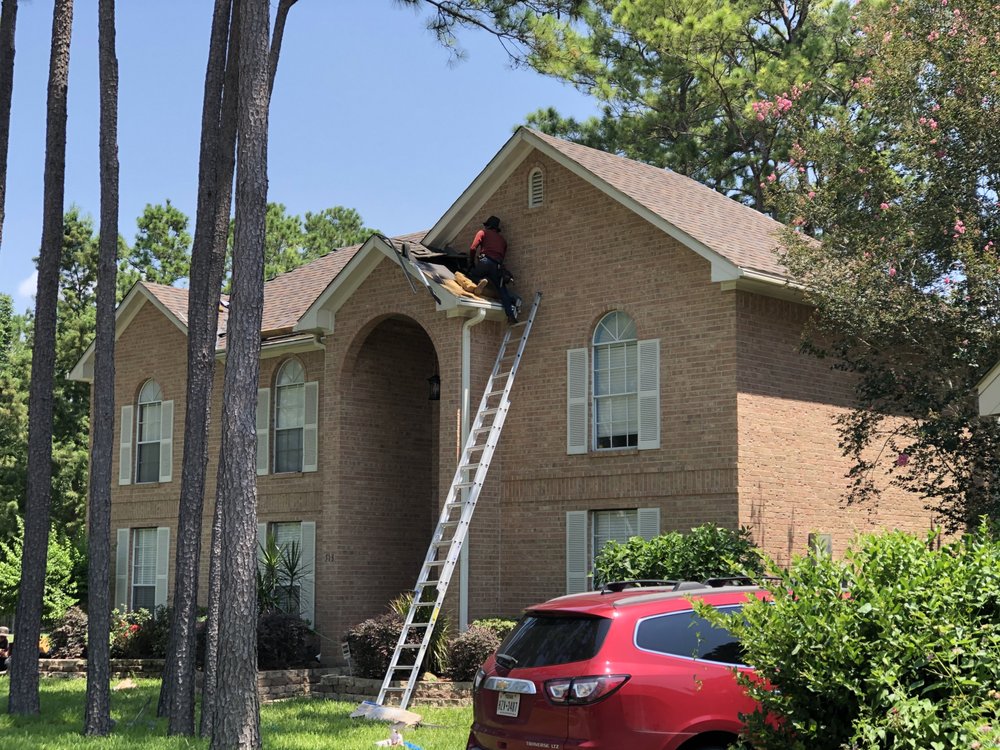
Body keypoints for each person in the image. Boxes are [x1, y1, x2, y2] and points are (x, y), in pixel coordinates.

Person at [468, 215, 519, 324]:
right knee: (502, 291)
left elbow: (473, 248)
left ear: (488, 226)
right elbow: (502, 258)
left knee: (471, 274)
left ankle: (480, 281)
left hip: (485, 262)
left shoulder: (482, 232)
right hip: (497, 266)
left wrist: (471, 262)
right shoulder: (503, 241)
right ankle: (510, 316)